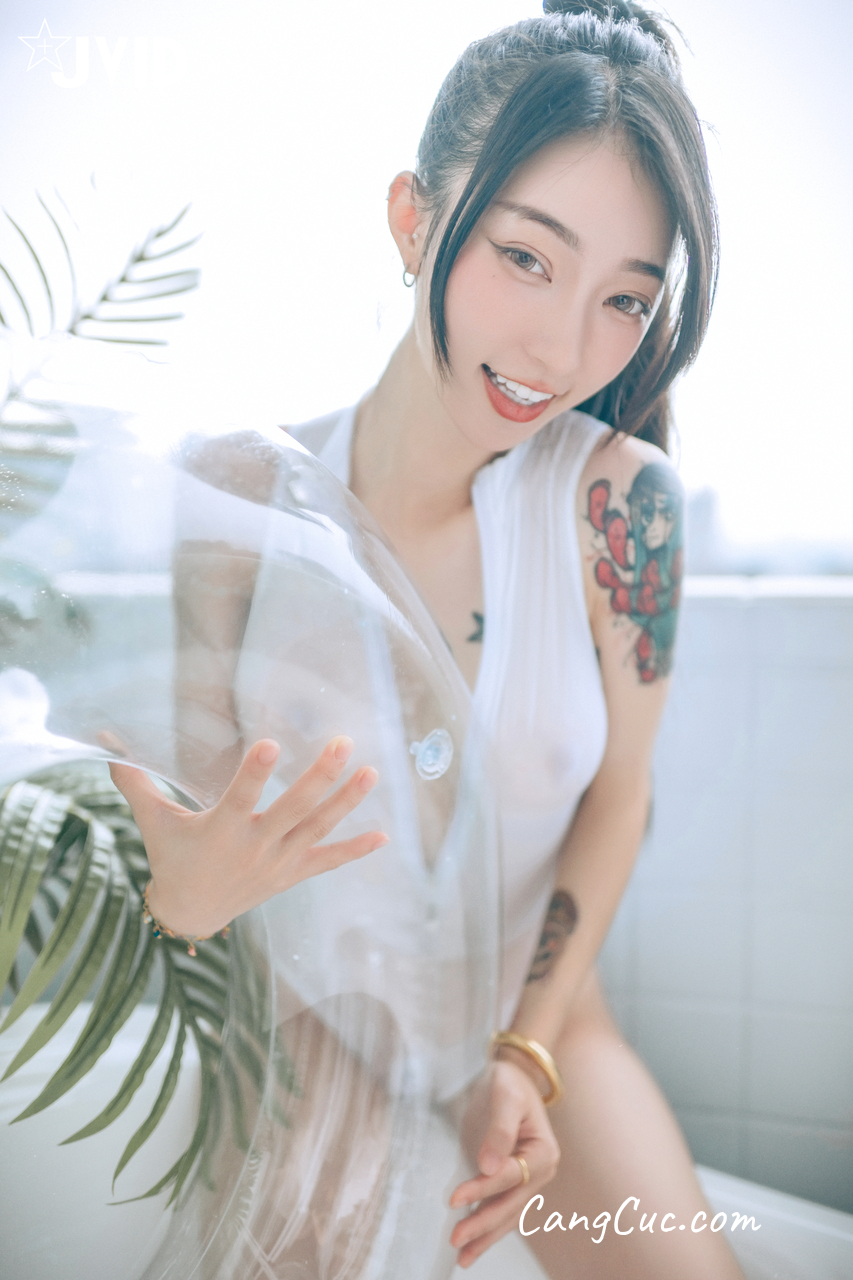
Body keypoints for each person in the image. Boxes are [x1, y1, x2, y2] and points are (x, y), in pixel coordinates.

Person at [111, 3, 746, 1276]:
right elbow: (191, 835)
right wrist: (182, 902)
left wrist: (529, 1047)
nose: (562, 348)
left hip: (536, 1023)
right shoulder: (239, 492)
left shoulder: (621, 508)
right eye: (525, 257)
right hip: (315, 1021)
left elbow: (619, 794)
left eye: (624, 297)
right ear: (413, 220)